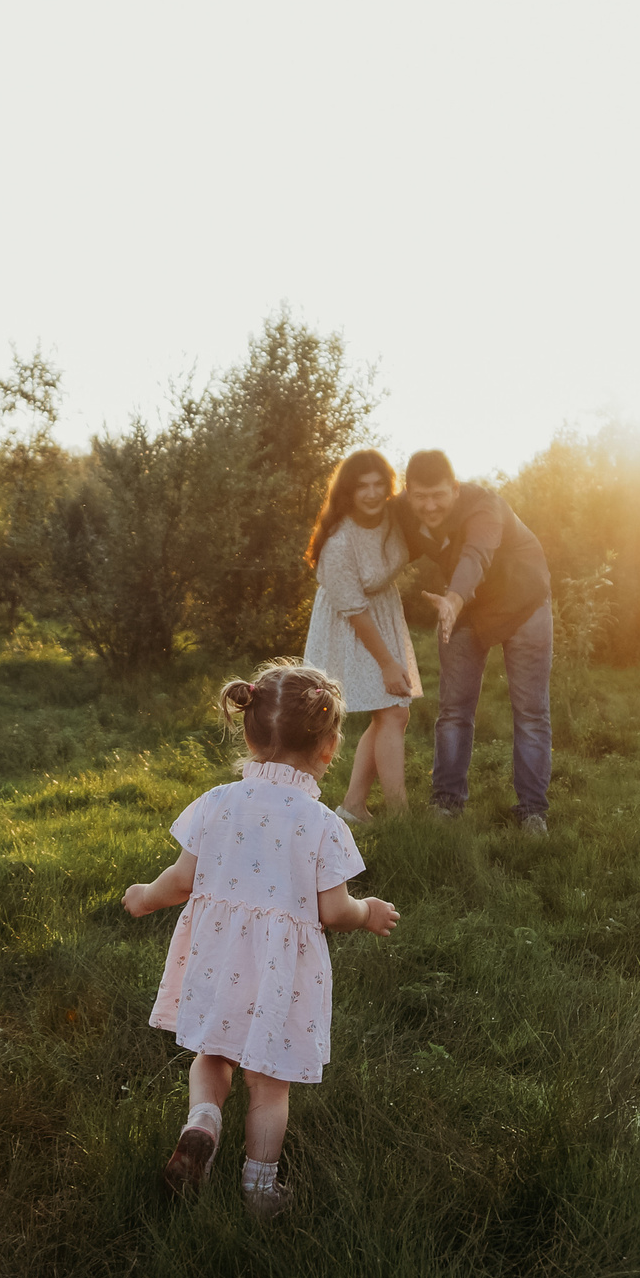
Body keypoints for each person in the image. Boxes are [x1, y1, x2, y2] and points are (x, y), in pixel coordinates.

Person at [122, 661, 400, 1217]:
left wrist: (144, 897)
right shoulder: (324, 824)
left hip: (217, 958)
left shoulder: (218, 803)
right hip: (280, 977)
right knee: (270, 1085)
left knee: (212, 1056)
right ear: (328, 749)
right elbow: (333, 909)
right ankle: (260, 1189)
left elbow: (180, 881)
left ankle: (203, 1120)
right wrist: (367, 911)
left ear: (248, 735)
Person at [400, 450, 555, 832]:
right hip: (468, 609)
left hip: (523, 603)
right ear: (408, 493)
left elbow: (475, 555)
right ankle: (447, 802)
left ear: (454, 489)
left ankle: (533, 811)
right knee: (453, 709)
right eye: (420, 496)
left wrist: (453, 599)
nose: (430, 505)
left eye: (438, 495)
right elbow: (373, 532)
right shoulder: (405, 511)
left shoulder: (485, 508)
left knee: (531, 712)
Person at [300, 449, 421, 824]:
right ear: (347, 492)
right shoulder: (339, 542)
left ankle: (353, 806)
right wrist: (387, 663)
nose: (371, 493)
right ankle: (400, 816)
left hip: (381, 616)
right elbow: (354, 610)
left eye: (378, 484)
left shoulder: (393, 516)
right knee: (394, 712)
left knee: (390, 714)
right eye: (361, 486)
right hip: (350, 628)